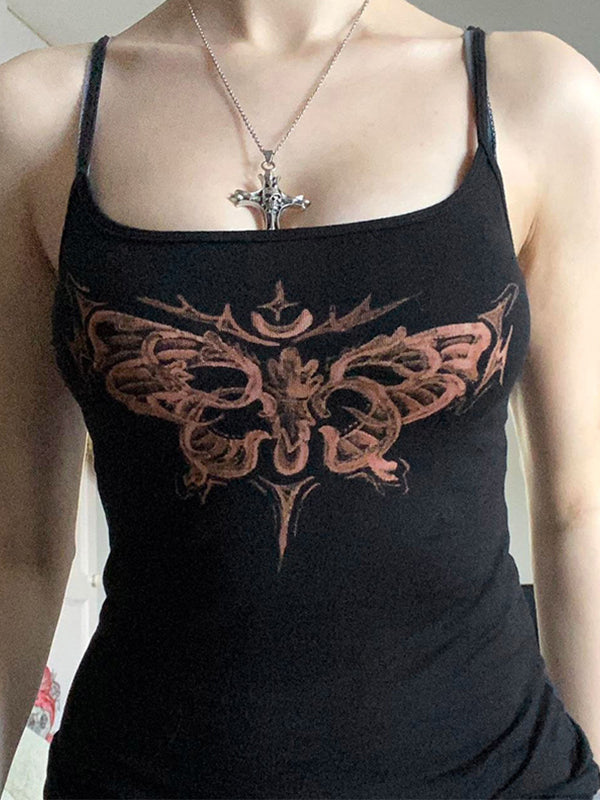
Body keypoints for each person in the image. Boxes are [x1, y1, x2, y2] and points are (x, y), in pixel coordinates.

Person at [1, 0, 600, 797]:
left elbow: (580, 509)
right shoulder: (39, 115)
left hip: (496, 775)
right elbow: (18, 551)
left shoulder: (534, 94)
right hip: (138, 774)